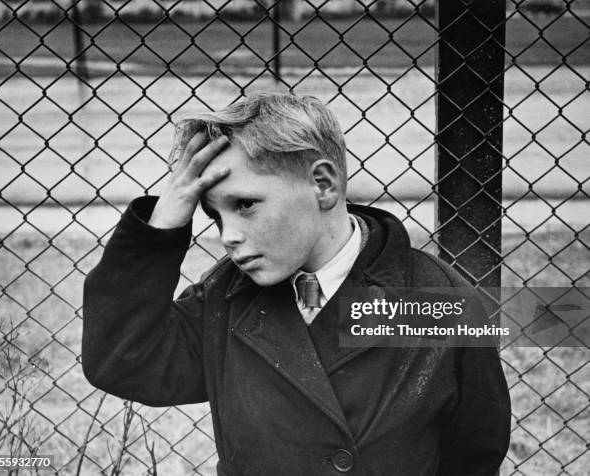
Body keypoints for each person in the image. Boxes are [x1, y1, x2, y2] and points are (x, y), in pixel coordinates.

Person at [82, 94, 511, 475]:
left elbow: (475, 449)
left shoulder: (437, 301)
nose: (226, 235)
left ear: (323, 184)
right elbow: (123, 360)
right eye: (214, 215)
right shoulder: (227, 299)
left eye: (245, 204)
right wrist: (162, 225)